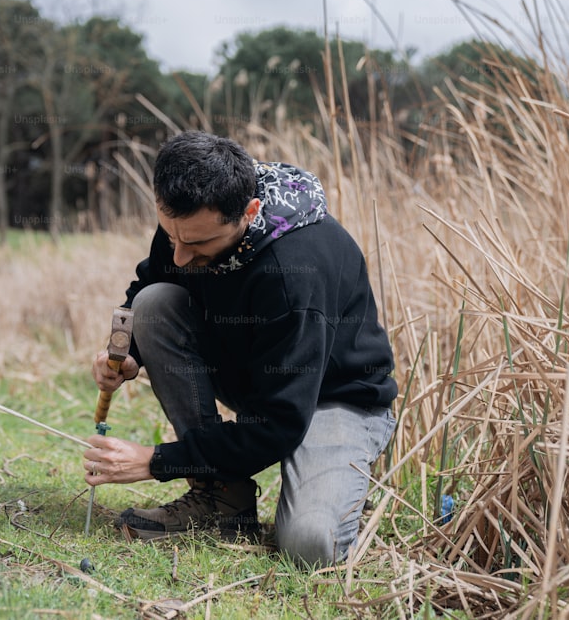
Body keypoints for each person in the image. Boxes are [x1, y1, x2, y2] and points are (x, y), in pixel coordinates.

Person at [83, 130, 397, 567]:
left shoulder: (293, 273)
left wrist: (157, 461)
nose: (178, 255)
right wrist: (127, 352)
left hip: (334, 397)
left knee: (307, 546)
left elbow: (279, 422)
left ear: (248, 213)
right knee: (153, 304)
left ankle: (338, 478)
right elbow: (154, 279)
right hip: (259, 374)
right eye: (170, 235)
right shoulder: (189, 224)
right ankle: (221, 499)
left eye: (194, 244)